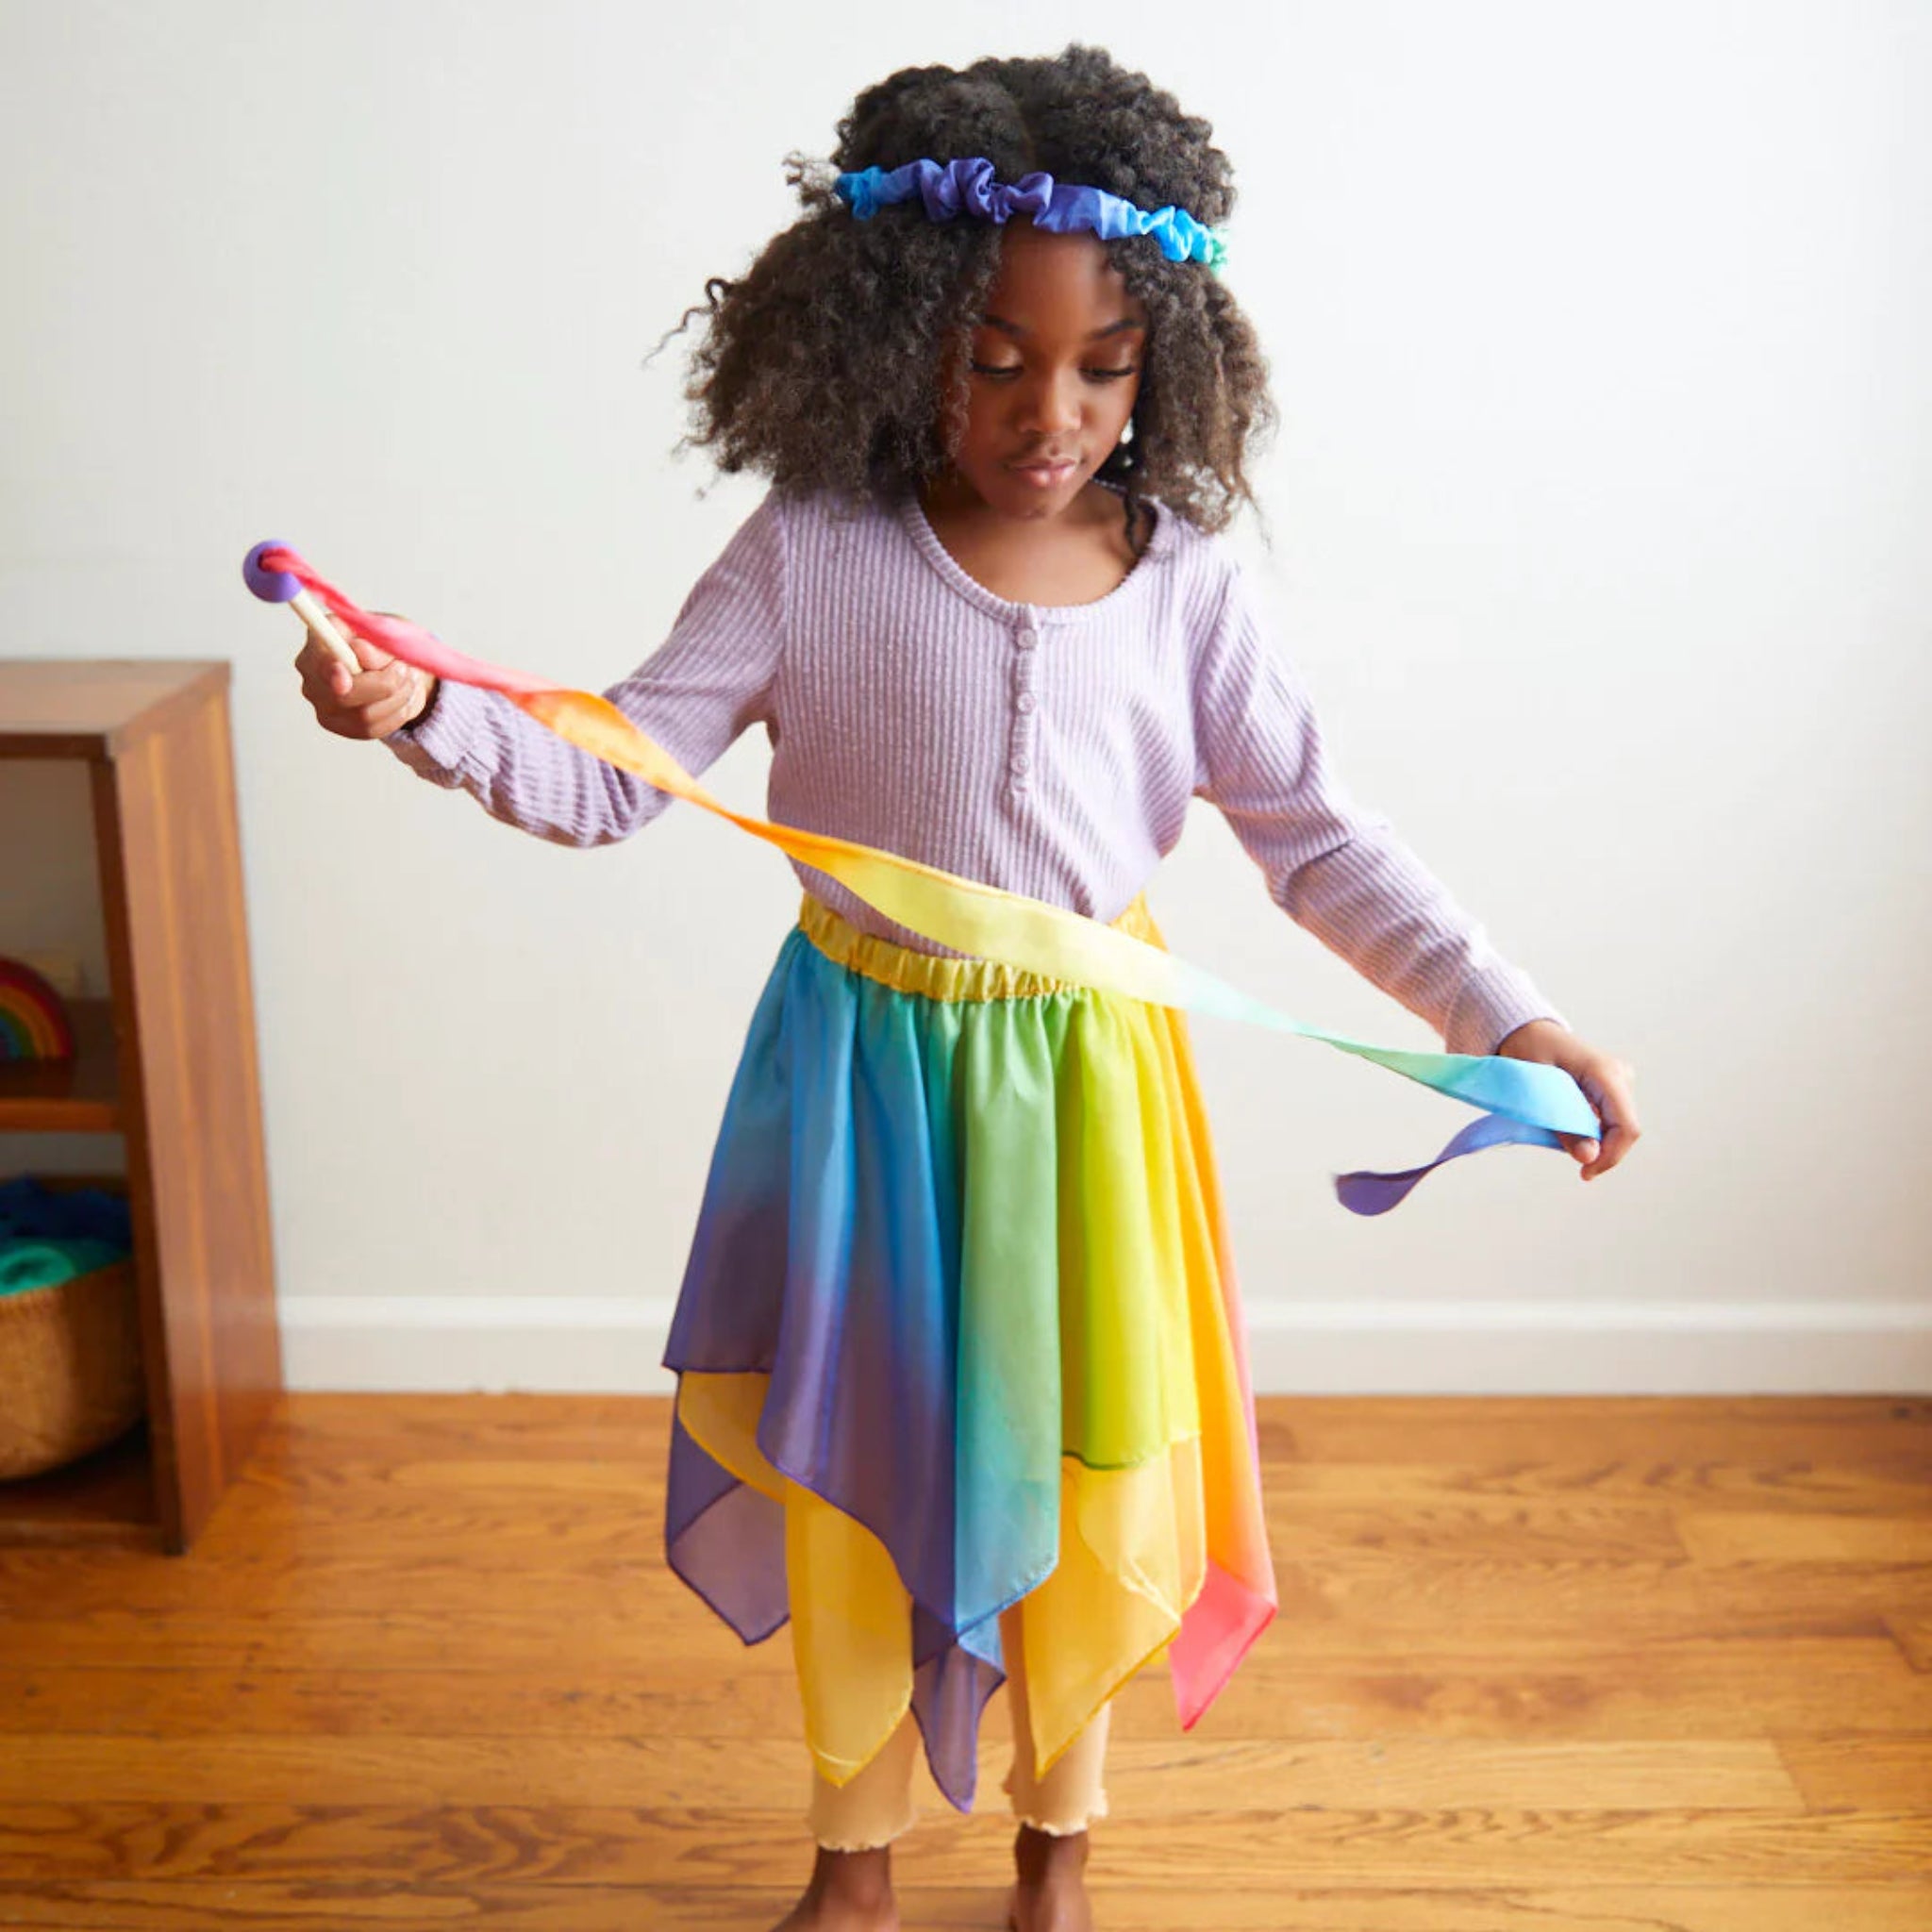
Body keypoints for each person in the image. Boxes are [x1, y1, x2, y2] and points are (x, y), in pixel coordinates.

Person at [294, 44, 1641, 1932]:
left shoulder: (1189, 592)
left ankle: (1057, 1853)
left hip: (1089, 1097)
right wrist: (424, 707)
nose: (1051, 412)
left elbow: (1320, 842)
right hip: (857, 1089)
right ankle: (851, 1864)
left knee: (1086, 1475)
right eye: (994, 356)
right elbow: (615, 774)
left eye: (1102, 364)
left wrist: (1507, 1017)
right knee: (858, 1472)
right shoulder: (807, 558)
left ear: (1162, 358)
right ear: (892, 331)